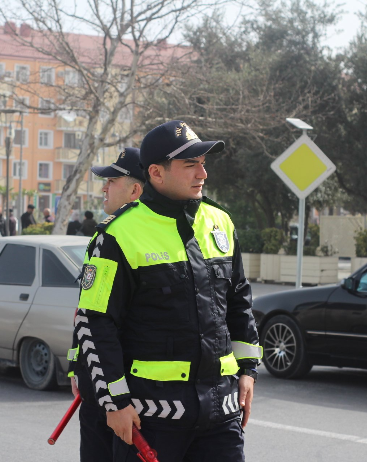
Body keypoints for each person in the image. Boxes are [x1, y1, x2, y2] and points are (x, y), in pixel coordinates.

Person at [70, 121, 261, 462]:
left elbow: (240, 301)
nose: (202, 173)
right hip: (152, 420)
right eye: (190, 164)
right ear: (156, 172)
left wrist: (247, 370)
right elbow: (95, 324)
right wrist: (115, 402)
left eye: (203, 163)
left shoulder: (221, 222)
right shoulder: (117, 235)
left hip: (221, 414)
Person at [67, 147, 145, 462]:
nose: (104, 188)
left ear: (135, 189)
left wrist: (103, 387)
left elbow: (102, 322)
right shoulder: (109, 233)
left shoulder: (119, 237)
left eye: (111, 181)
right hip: (100, 383)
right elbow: (85, 314)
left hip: (118, 386)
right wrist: (77, 366)